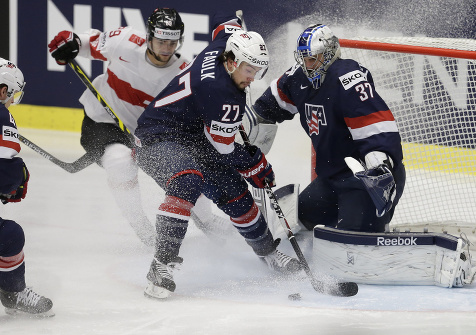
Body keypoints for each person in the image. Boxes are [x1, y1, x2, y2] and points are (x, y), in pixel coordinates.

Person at [134, 12, 302, 299]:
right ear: (233, 61)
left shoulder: (224, 45)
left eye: (258, 71)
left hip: (193, 136)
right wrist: (255, 164)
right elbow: (225, 148)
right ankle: (160, 264)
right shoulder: (220, 94)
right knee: (187, 180)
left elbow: (226, 24)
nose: (252, 79)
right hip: (157, 136)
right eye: (249, 71)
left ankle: (268, 253)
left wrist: (236, 20)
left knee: (235, 193)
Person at [48, 8, 219, 246]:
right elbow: (85, 44)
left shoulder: (183, 74)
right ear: (149, 37)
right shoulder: (124, 41)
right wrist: (70, 44)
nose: (167, 49)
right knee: (120, 162)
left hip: (151, 134)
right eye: (161, 41)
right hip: (103, 120)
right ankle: (141, 227)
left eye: (173, 43)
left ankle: (210, 223)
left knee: (185, 175)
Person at [249, 24, 406, 233]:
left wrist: (379, 167)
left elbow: (376, 126)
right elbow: (269, 105)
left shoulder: (348, 78)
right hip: (331, 178)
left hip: (365, 183)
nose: (307, 65)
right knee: (292, 227)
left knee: (354, 245)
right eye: (303, 59)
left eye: (312, 59)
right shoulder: (298, 77)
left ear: (330, 53)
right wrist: (249, 124)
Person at [0, 58, 54, 316]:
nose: (11, 100)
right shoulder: (2, 115)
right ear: (2, 90)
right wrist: (16, 180)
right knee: (9, 235)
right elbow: (6, 173)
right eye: (11, 94)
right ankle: (14, 293)